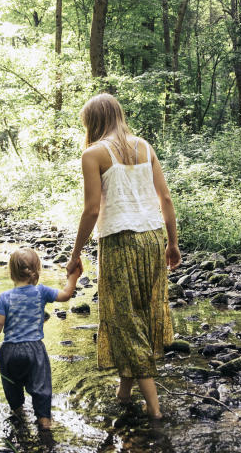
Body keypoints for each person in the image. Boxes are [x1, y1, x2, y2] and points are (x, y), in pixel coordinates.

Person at [65, 93, 181, 420]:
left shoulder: (93, 154)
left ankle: (155, 411)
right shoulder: (144, 146)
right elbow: (166, 198)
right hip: (154, 238)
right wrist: (172, 244)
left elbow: (91, 210)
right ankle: (125, 390)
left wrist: (75, 254)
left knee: (124, 319)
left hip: (119, 242)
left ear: (93, 122)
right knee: (142, 311)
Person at [0, 247, 81, 430]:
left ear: (11, 272)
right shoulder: (41, 292)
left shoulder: (5, 297)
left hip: (9, 351)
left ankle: (18, 416)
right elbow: (66, 295)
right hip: (34, 350)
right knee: (41, 388)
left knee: (12, 387)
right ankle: (44, 421)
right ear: (37, 270)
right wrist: (73, 276)